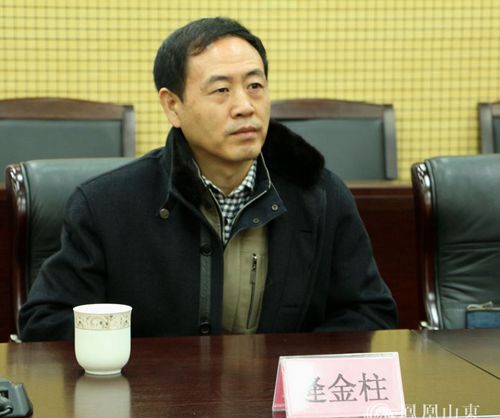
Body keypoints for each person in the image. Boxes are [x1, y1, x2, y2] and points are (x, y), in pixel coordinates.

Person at [19, 17, 397, 341]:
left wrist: (292, 371)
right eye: (221, 90)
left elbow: (369, 312)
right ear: (173, 106)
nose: (244, 106)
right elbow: (45, 322)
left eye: (255, 86)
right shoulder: (106, 205)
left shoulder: (320, 195)